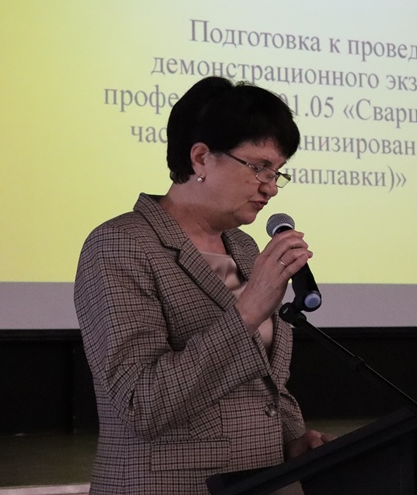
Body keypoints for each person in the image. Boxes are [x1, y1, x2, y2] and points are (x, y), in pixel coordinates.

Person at [75, 76, 331, 494]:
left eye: (278, 172)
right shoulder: (121, 244)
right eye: (259, 167)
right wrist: (246, 312)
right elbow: (142, 403)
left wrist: (291, 439)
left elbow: (264, 380)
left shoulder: (244, 248)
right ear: (200, 158)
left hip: (257, 481)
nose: (270, 186)